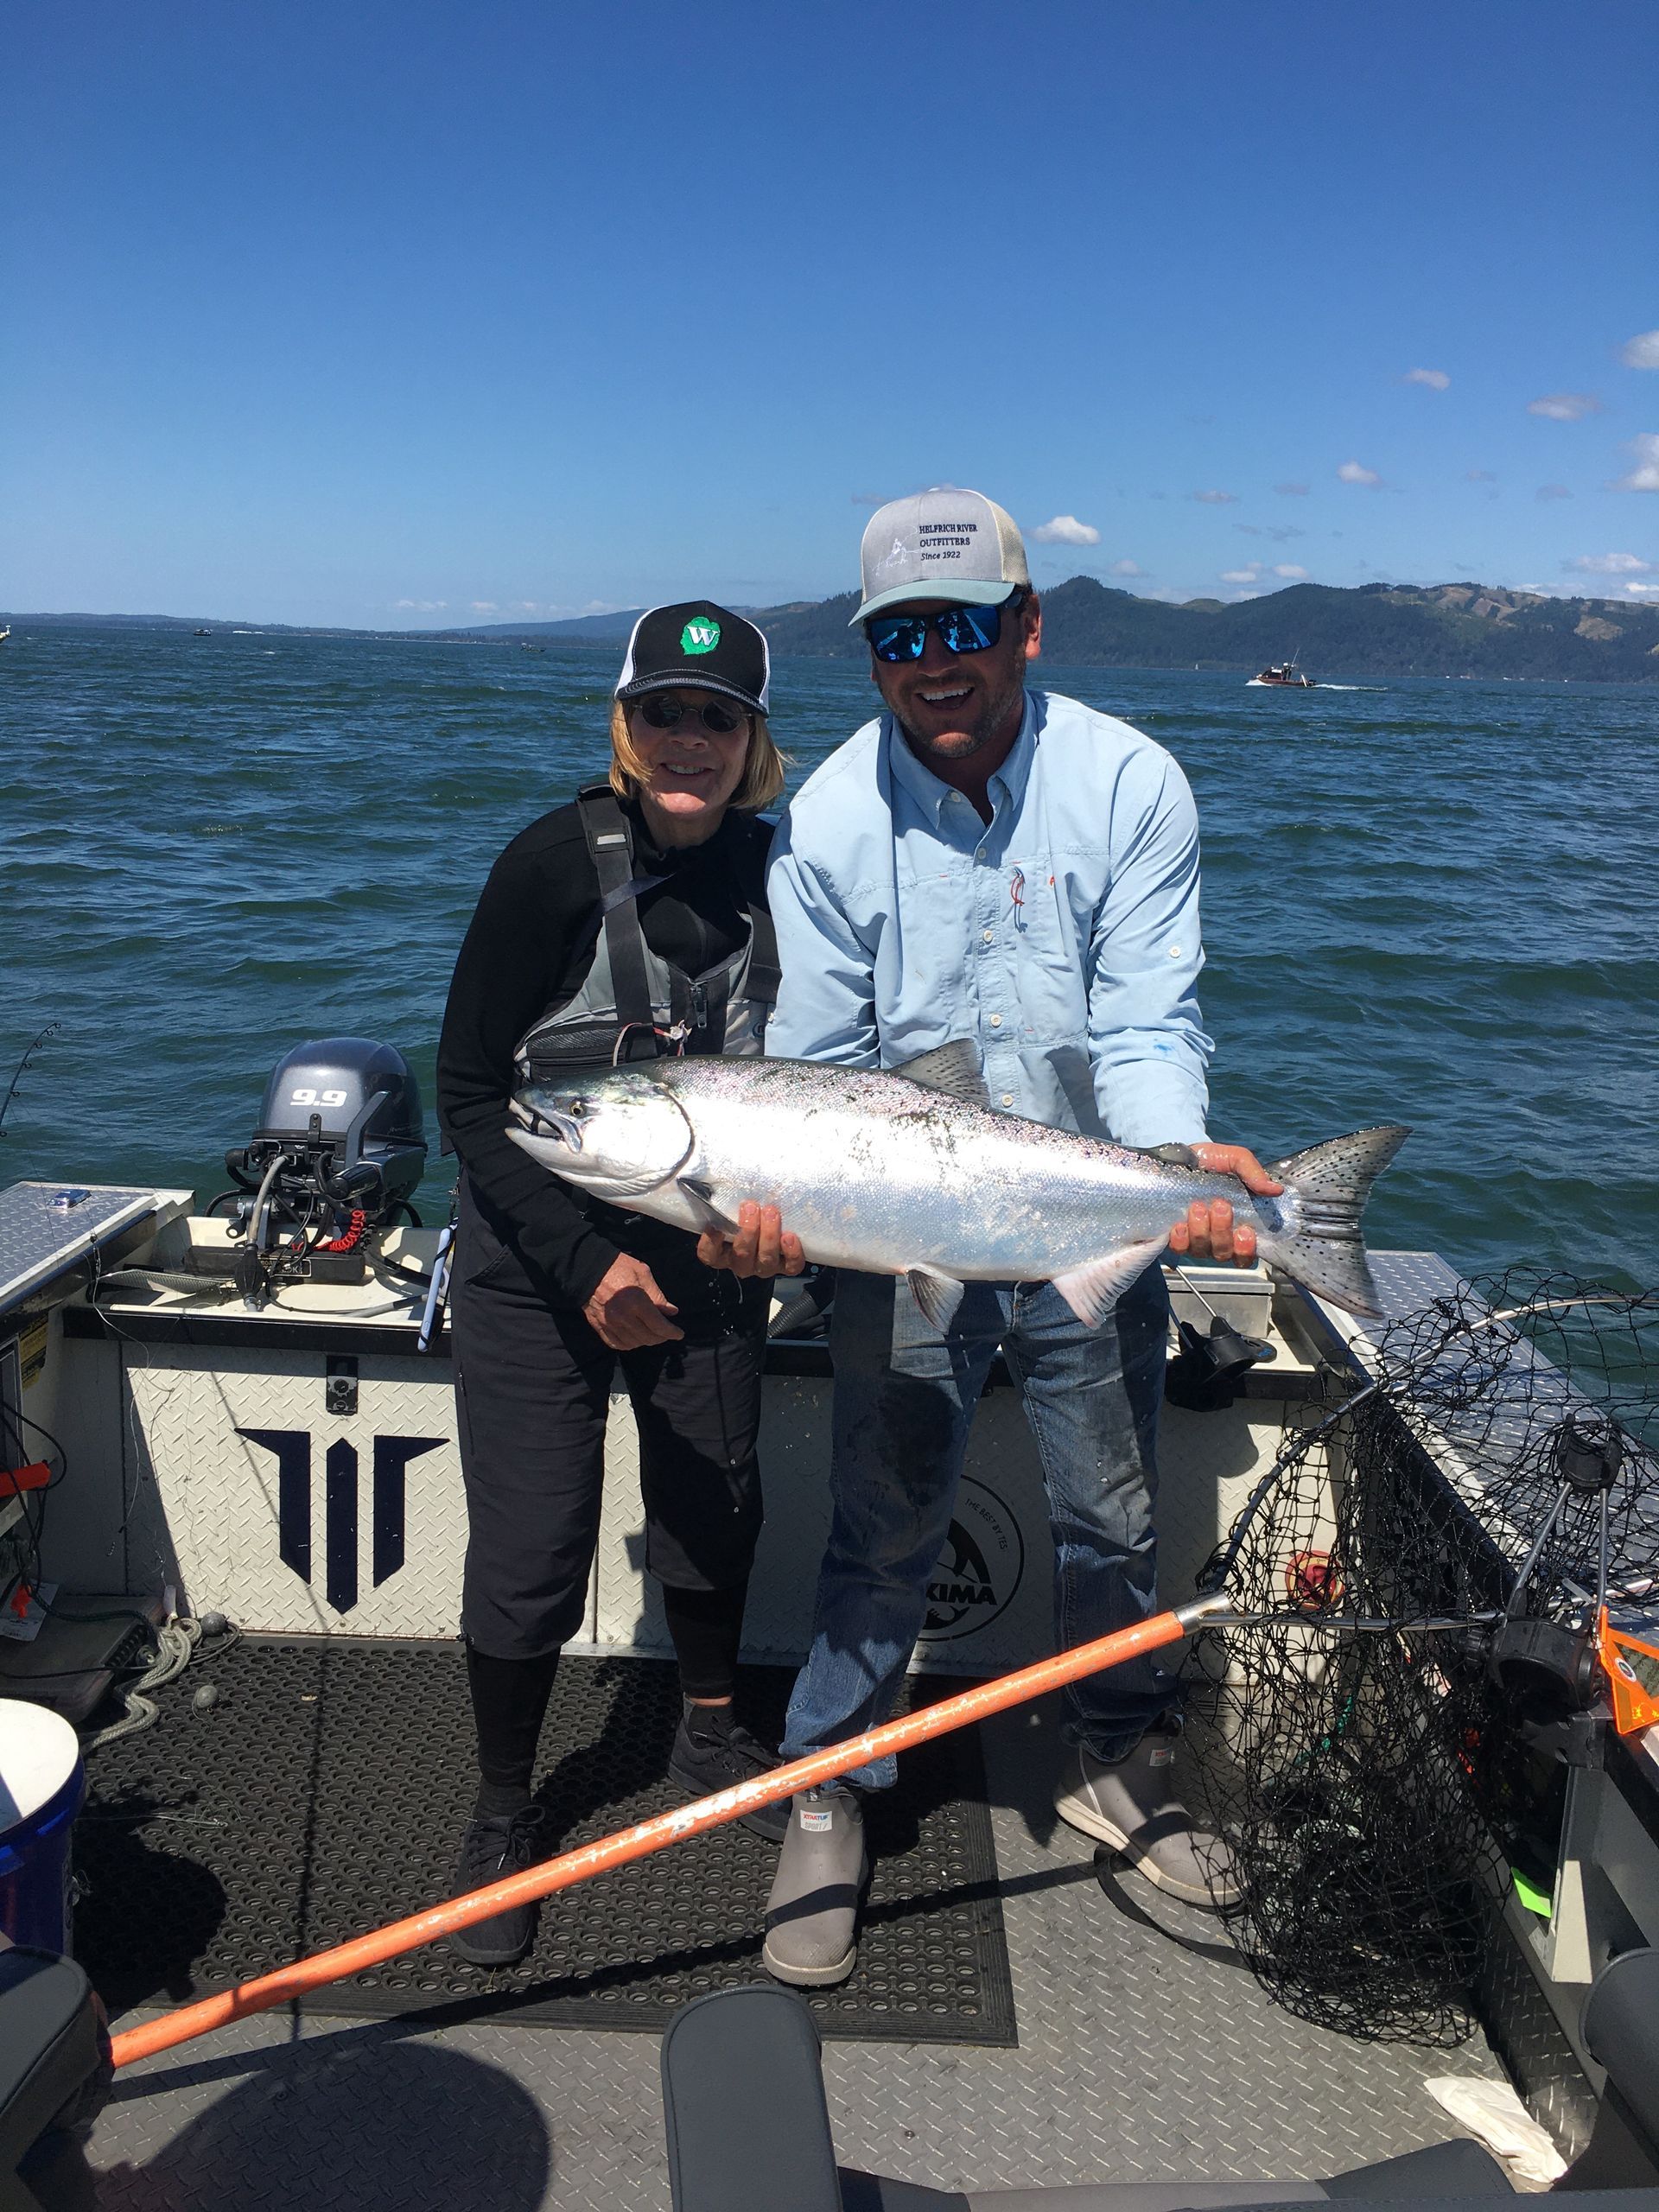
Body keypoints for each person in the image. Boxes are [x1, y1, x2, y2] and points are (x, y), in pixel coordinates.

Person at [704, 490, 1281, 1987]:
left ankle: (1114, 1753)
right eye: (902, 634)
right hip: (899, 1224)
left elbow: (1150, 1015)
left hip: (1082, 1203)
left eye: (965, 625)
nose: (935, 660)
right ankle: (830, 1781)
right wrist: (774, 1218)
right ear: (873, 654)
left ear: (1027, 626)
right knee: (881, 1518)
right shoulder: (827, 818)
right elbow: (814, 1070)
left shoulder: (1132, 782)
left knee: (1112, 1510)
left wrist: (1175, 1164)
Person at [435, 601, 802, 1967]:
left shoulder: (788, 873)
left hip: (709, 1250)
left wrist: (786, 1235)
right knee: (532, 1546)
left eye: (717, 716)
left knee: (716, 1500)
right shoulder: (548, 866)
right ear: (625, 724)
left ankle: (711, 1735)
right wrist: (586, 1266)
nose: (687, 741)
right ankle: (504, 1812)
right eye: (662, 713)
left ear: (754, 738)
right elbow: (469, 1094)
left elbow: (820, 1096)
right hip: (540, 1253)